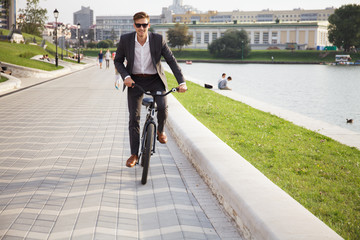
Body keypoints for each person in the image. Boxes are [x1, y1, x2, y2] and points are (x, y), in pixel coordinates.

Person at [114, 11, 187, 168]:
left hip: (155, 80)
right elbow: (118, 61)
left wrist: (181, 82)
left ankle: (160, 131)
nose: (141, 28)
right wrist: (126, 76)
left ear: (149, 25)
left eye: (144, 25)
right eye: (138, 25)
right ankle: (134, 154)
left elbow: (171, 61)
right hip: (135, 81)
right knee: (134, 117)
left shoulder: (158, 40)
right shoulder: (126, 40)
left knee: (162, 106)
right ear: (134, 25)